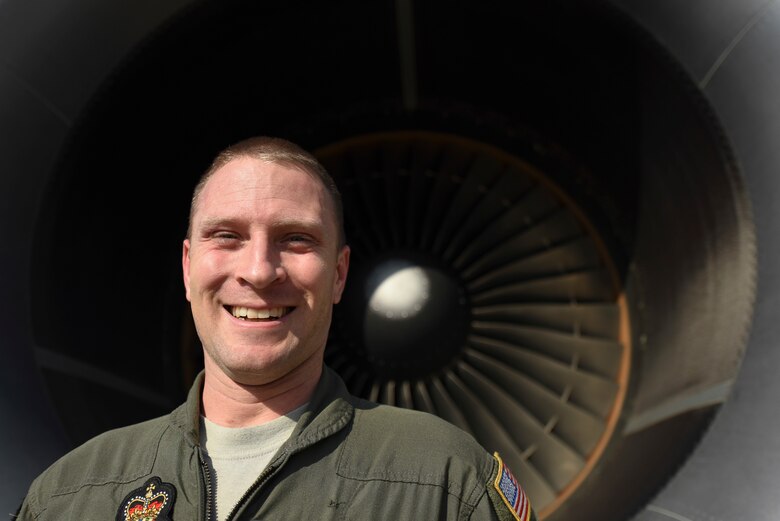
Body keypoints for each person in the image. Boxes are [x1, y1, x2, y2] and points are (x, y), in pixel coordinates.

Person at [17, 137, 536, 521]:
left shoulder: (445, 484)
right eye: (227, 236)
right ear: (187, 267)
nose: (260, 270)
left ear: (338, 274)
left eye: (296, 239)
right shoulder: (68, 495)